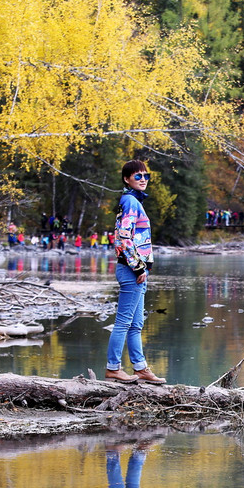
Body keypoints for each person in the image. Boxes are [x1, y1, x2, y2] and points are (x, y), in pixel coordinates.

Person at [106, 160, 166, 384]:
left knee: (135, 324)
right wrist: (139, 267)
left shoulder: (132, 201)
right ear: (126, 179)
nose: (143, 179)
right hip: (132, 271)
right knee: (123, 323)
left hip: (136, 271)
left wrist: (143, 268)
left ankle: (140, 368)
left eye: (146, 176)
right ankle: (113, 368)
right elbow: (123, 236)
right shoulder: (130, 201)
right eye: (137, 176)